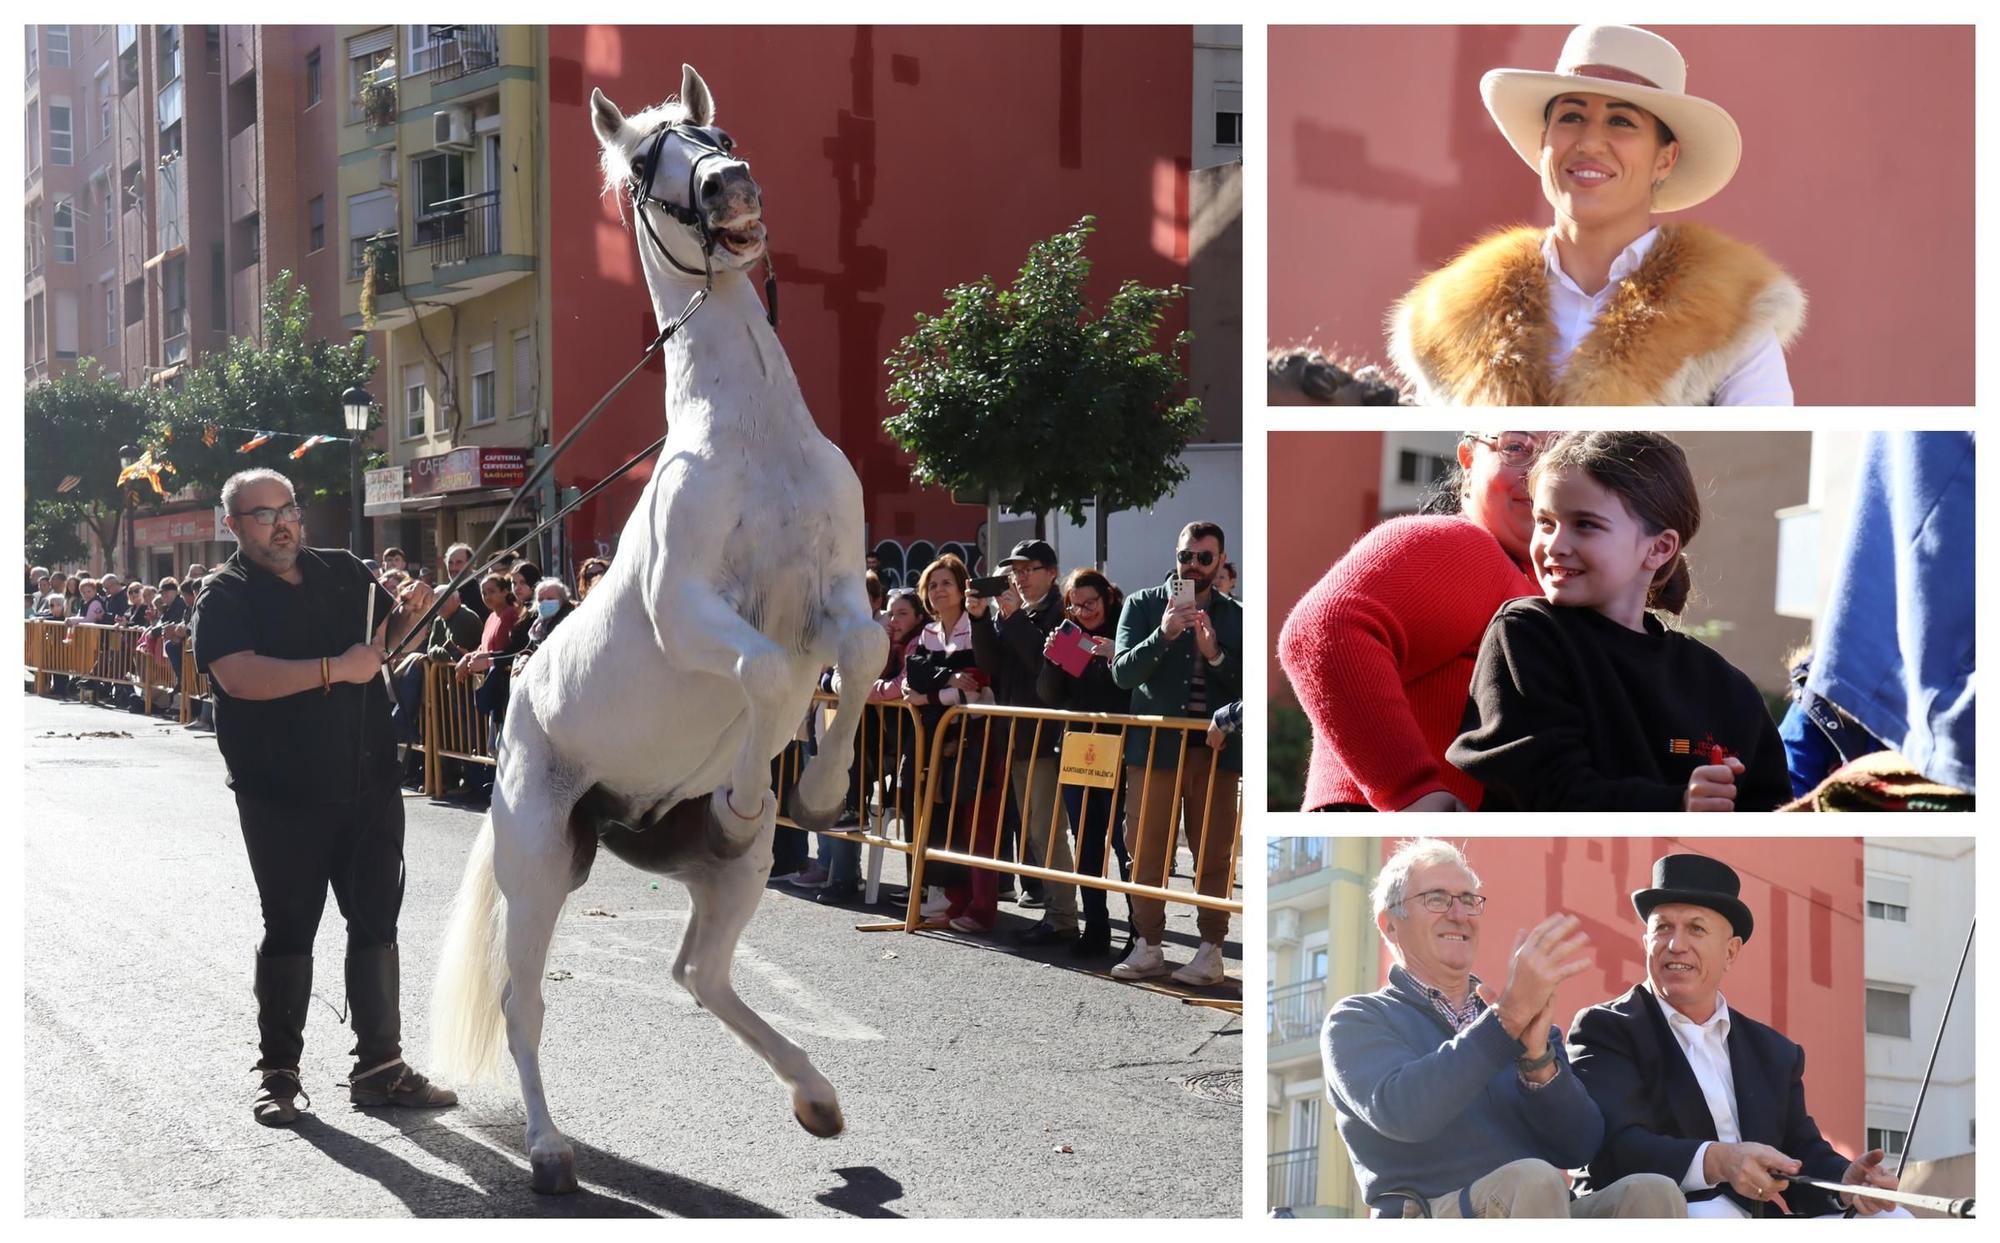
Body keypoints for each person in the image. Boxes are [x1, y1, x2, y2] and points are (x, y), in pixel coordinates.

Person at [189, 468, 456, 1128]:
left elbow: (382, 648)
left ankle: (380, 1066)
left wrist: (414, 617)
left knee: (376, 922)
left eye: (288, 508)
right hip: (280, 796)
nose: (281, 522)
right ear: (233, 525)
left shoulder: (342, 569)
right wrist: (337, 668)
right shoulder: (223, 596)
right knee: (290, 927)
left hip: (368, 784)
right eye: (262, 514)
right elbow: (239, 677)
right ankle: (278, 1072)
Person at [1388, 25, 1802, 405]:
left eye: (1621, 121)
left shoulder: (1731, 316)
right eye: (1571, 117)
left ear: (1665, 159)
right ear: (1543, 141)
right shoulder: (1453, 318)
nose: (1589, 142)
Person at [1322, 838, 1685, 1218]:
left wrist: (1539, 1064)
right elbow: (1405, 1113)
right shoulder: (1357, 1019)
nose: (1459, 914)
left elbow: (1580, 1147)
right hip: (1434, 1214)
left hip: (1541, 1208)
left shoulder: (1522, 1019)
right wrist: (1504, 1020)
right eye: (1437, 898)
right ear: (1390, 924)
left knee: (1653, 1192)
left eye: (1468, 899)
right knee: (1534, 1180)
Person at [1448, 431, 1789, 811]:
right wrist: (1677, 805)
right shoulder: (1526, 634)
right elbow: (1549, 792)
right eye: (1545, 522)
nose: (1555, 544)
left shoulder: (1727, 688)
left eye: (1586, 524)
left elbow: (1774, 809)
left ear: (1659, 548)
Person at [1569, 854, 1907, 1217]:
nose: (1675, 945)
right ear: (1646, 940)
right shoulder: (1606, 1027)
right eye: (1663, 927)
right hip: (1660, 1211)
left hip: (1754, 1219)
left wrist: (1845, 1181)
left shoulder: (1774, 1052)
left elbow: (1800, 1153)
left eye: (1696, 929)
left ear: (1730, 951)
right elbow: (1615, 1146)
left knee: (1891, 1218)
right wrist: (1719, 1161)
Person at [1278, 433, 1543, 811]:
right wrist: (1410, 789)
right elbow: (1324, 626)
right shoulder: (1468, 543)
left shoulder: (1532, 579)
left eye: (1558, 454)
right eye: (1517, 447)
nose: (1536, 473)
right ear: (1468, 458)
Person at [1108, 521, 1242, 984]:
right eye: (1187, 556)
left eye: (1205, 558)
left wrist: (1217, 654)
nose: (1194, 565)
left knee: (1213, 850)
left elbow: (1251, 687)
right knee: (1143, 846)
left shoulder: (1236, 615)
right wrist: (1162, 636)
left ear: (1221, 561)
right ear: (1176, 553)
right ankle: (1147, 945)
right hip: (1156, 749)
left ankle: (1210, 950)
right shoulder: (1143, 605)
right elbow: (1122, 674)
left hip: (1215, 751)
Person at [969, 538, 1078, 946]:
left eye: (1030, 568)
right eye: (1016, 570)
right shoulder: (1013, 612)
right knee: (1034, 832)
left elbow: (1052, 665)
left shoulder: (1064, 610)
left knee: (1048, 831)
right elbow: (990, 665)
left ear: (1052, 572)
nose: (1021, 577)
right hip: (1017, 736)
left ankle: (1064, 916)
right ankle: (1057, 912)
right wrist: (981, 620)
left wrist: (1012, 619)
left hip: (1049, 737)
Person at [1034, 567, 1133, 958]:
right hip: (1079, 747)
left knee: (1125, 845)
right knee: (1087, 841)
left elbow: (1127, 687)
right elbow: (1049, 695)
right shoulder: (1070, 634)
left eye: (1090, 603)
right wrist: (1051, 660)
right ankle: (1095, 926)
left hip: (1121, 749)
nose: (1084, 611)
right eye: (1075, 606)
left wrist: (1114, 653)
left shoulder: (1126, 629)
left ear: (1107, 597)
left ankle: (1140, 933)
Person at [900, 554, 1000, 933]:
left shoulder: (976, 628)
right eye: (933, 584)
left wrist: (930, 696)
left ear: (962, 588)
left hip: (979, 739)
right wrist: (944, 683)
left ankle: (983, 907)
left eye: (946, 583)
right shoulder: (927, 634)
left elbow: (978, 690)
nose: (939, 590)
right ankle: (957, 901)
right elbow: (914, 680)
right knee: (948, 824)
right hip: (941, 744)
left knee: (979, 827)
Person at [443, 543, 485, 620]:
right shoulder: (444, 591)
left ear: (471, 565)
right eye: (450, 563)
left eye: (459, 562)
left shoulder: (479, 593)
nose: (453, 568)